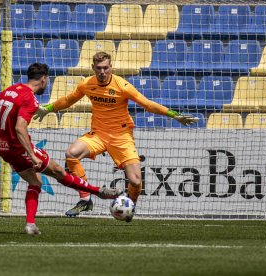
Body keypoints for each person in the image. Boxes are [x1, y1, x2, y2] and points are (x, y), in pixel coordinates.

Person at [34, 52, 198, 222]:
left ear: (111, 67)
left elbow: (147, 104)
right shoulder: (87, 84)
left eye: (105, 68)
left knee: (135, 181)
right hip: (98, 134)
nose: (102, 72)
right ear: (93, 68)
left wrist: (174, 114)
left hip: (121, 136)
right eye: (99, 68)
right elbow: (69, 100)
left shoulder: (122, 86)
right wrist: (48, 108)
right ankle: (85, 199)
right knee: (71, 154)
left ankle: (129, 207)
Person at [0, 63, 123, 235]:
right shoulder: (30, 98)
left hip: (0, 146)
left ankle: (30, 225)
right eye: (47, 80)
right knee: (58, 171)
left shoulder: (10, 89)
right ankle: (98, 192)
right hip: (16, 147)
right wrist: (32, 156)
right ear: (43, 79)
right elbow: (20, 128)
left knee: (35, 182)